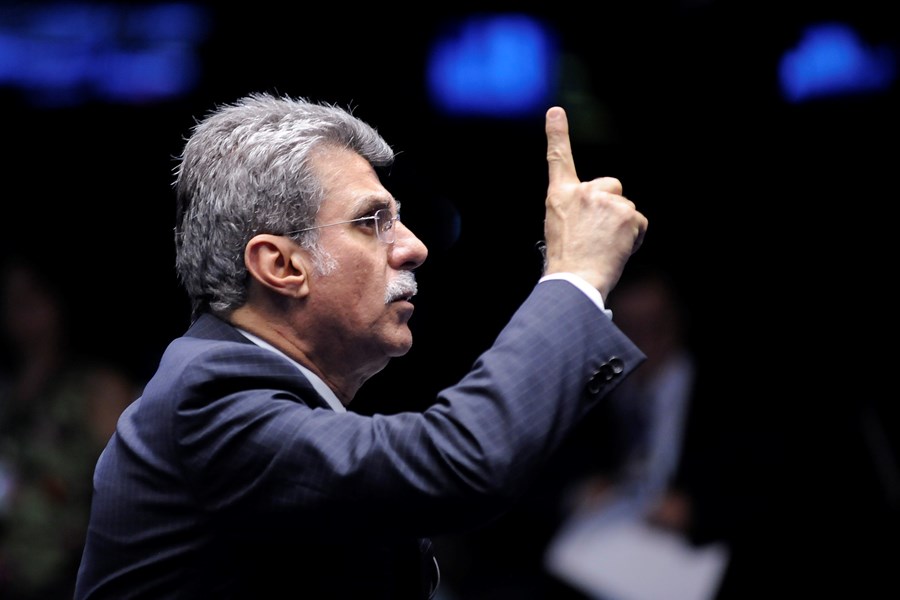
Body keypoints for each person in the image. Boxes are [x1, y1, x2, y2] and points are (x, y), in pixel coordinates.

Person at [74, 92, 648, 599]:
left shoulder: (252, 391)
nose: (414, 247)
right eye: (372, 220)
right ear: (281, 265)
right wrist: (575, 276)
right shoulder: (208, 397)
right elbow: (460, 462)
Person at [0, 255, 136, 600]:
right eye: (11, 300)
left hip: (71, 575)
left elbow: (129, 486)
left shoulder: (95, 387)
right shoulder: (7, 393)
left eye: (32, 296)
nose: (21, 311)